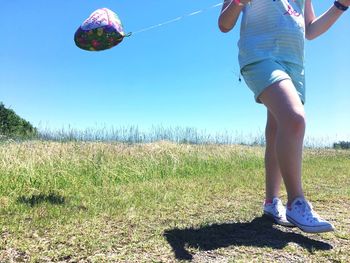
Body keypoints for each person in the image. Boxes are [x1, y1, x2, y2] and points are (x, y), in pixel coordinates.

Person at [218, 0, 349, 233]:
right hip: (260, 56)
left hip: (293, 64)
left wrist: (340, 5)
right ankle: (296, 202)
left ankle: (271, 202)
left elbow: (311, 30)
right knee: (295, 119)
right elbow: (224, 24)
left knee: (277, 129)